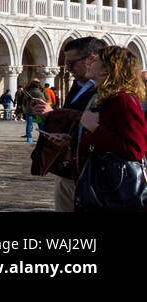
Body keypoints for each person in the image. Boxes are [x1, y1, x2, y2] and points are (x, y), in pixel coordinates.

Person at [30, 36, 106, 211]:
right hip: (68, 166)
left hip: (90, 169)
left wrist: (55, 113)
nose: (68, 69)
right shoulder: (78, 85)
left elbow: (93, 119)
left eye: (71, 63)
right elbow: (75, 117)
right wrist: (49, 115)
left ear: (91, 59)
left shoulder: (105, 89)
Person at [74, 45, 147, 211]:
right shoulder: (108, 98)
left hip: (115, 193)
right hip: (102, 187)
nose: (89, 63)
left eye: (95, 60)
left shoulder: (124, 100)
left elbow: (135, 149)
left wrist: (95, 129)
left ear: (106, 69)